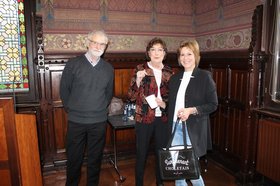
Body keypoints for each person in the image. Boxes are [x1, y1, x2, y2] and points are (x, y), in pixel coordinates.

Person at [60, 30, 114, 186]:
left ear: (105, 47)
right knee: (74, 159)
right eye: (95, 42)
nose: (98, 46)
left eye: (102, 44)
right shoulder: (73, 64)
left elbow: (109, 93)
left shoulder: (108, 69)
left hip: (98, 122)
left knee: (95, 159)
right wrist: (74, 109)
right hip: (76, 121)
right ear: (88, 43)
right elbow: (64, 91)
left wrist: (99, 110)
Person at [167, 40, 218, 186]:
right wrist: (162, 104)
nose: (185, 58)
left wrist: (191, 110)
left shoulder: (204, 76)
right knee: (178, 169)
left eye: (189, 54)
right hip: (175, 128)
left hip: (193, 129)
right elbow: (173, 105)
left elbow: (213, 104)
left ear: (196, 56)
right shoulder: (175, 78)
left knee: (190, 169)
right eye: (182, 54)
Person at [127, 37, 173, 186]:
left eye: (160, 49)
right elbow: (131, 97)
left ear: (164, 53)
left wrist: (165, 104)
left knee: (161, 154)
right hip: (144, 118)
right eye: (153, 49)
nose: (156, 53)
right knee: (141, 155)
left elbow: (173, 97)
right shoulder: (140, 69)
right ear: (148, 52)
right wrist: (138, 82)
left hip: (163, 119)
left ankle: (160, 183)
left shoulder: (169, 71)